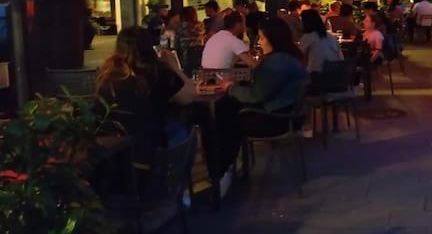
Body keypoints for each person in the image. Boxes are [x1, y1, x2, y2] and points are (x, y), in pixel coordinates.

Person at [214, 18, 308, 188]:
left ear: (273, 39)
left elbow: (256, 95)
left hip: (276, 120)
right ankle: (228, 168)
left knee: (223, 115)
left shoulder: (276, 63)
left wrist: (230, 87)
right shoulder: (290, 57)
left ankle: (222, 172)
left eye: (262, 38)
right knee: (227, 109)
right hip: (288, 114)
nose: (259, 42)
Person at [96, 26, 195, 161]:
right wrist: (174, 67)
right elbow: (190, 95)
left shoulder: (107, 76)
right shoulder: (157, 73)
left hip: (115, 153)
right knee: (183, 125)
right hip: (150, 151)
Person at [299, 8, 343, 74]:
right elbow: (341, 58)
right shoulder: (331, 37)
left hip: (316, 75)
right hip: (335, 75)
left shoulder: (307, 37)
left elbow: (301, 58)